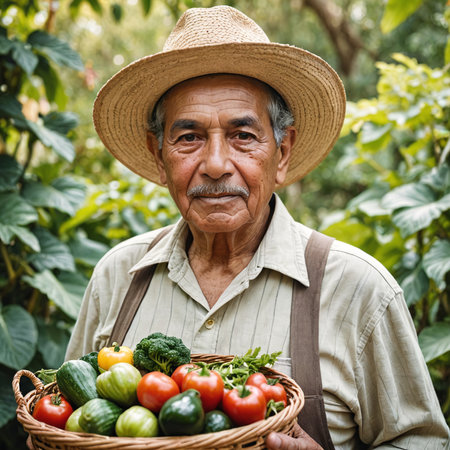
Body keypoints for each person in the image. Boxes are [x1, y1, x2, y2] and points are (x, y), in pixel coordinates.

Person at [65, 5, 450, 449]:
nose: (214, 165)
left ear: (282, 152)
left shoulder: (359, 290)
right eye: (188, 137)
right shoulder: (117, 277)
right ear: (158, 154)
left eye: (242, 136)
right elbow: (65, 422)